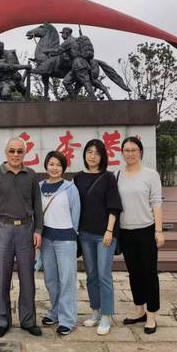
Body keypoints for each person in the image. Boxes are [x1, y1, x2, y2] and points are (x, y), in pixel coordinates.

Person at [0, 137, 43, 338]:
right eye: (12, 151)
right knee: (2, 277)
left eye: (19, 151)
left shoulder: (31, 175)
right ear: (6, 152)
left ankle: (28, 320)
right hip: (2, 228)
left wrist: (38, 230)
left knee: (27, 277)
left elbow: (37, 204)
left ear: (24, 153)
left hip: (26, 229)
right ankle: (2, 320)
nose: (16, 155)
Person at [73, 139, 122, 335]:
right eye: (89, 152)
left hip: (104, 235)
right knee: (91, 274)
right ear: (85, 154)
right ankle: (95, 311)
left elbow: (114, 207)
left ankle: (106, 316)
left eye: (97, 153)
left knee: (104, 275)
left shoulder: (108, 178)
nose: (92, 156)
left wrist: (109, 231)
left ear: (102, 157)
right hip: (85, 234)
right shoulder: (78, 178)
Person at [117, 136, 164, 334]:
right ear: (122, 153)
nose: (130, 154)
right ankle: (139, 310)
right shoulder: (117, 175)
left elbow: (156, 202)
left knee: (149, 273)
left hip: (146, 230)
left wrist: (158, 231)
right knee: (134, 273)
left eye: (133, 150)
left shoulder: (151, 175)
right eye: (126, 150)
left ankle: (151, 315)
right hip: (125, 231)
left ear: (140, 152)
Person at [39, 151, 81, 336]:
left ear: (63, 167)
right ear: (46, 166)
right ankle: (55, 312)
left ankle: (67, 319)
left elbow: (76, 212)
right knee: (50, 279)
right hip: (46, 239)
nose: (54, 168)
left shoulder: (70, 188)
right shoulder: (39, 186)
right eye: (51, 164)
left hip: (66, 239)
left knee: (67, 280)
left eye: (58, 165)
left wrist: (72, 233)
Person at [46, 27, 96, 100]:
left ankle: (93, 98)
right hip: (77, 64)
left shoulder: (68, 41)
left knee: (85, 81)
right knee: (66, 82)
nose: (62, 35)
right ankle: (74, 100)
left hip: (79, 63)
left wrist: (47, 52)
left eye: (63, 33)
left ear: (67, 33)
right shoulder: (76, 39)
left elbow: (58, 51)